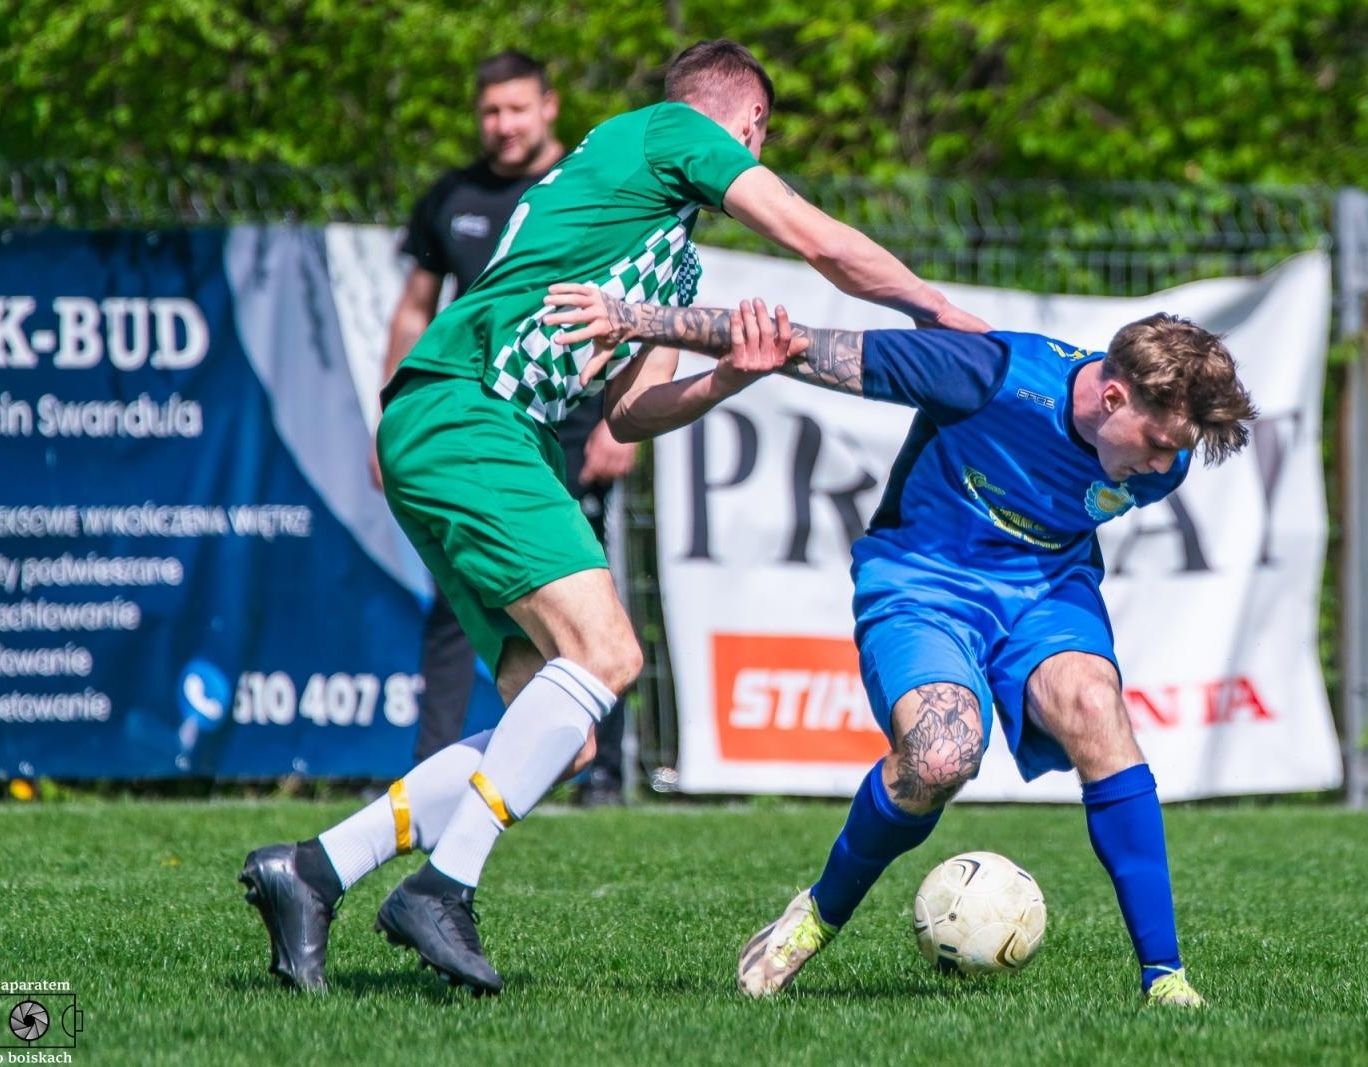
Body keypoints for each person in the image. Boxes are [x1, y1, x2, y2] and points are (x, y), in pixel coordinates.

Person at [238, 38, 989, 996]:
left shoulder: (662, 255)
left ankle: (310, 870)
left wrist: (730, 375)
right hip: (473, 413)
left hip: (473, 432)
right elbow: (818, 240)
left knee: (562, 725)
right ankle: (441, 888)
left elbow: (632, 411)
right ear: (746, 124)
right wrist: (937, 310)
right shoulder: (670, 131)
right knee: (610, 658)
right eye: (758, 139)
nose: (757, 158)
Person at [539, 286, 1259, 1008]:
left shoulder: (1164, 463)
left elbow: (1112, 485)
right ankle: (817, 915)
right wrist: (637, 318)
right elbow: (796, 342)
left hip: (1045, 587)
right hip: (924, 583)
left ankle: (1164, 977)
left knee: (1094, 706)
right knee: (939, 756)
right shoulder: (986, 374)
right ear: (1111, 396)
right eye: (1160, 440)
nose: (1165, 462)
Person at [373, 49, 638, 797]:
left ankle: (601, 774)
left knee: (593, 602)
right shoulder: (450, 195)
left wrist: (621, 425)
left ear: (549, 106)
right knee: (461, 610)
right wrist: (388, 410)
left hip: (572, 424)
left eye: (517, 108)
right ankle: (433, 767)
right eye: (490, 111)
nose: (503, 125)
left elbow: (627, 304)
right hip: (470, 425)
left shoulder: (584, 185)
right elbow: (416, 308)